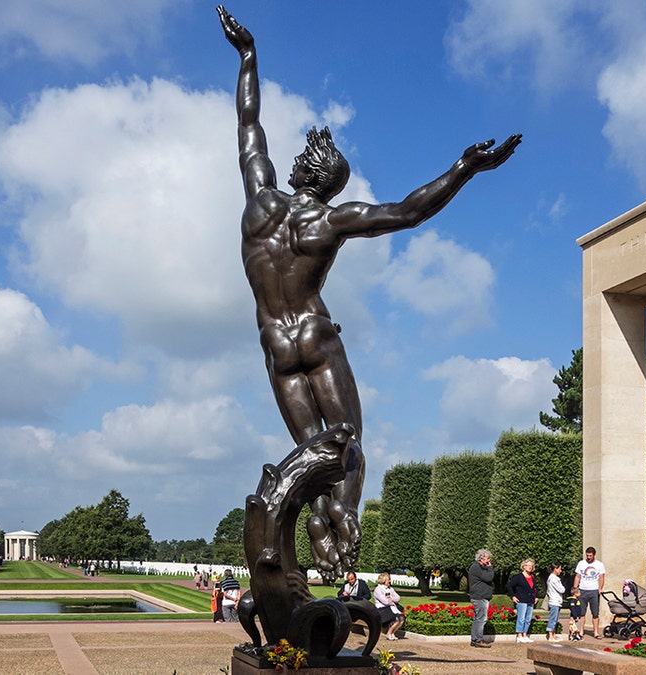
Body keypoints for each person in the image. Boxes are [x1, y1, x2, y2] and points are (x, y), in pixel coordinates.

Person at [218, 5, 521, 580]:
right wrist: (466, 166)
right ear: (332, 186)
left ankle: (315, 519)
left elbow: (248, 126)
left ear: (300, 171)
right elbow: (408, 212)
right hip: (315, 333)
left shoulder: (259, 202)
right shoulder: (329, 222)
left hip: (275, 347)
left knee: (312, 448)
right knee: (348, 442)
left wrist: (248, 54)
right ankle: (344, 517)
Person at [573, 547, 606, 639]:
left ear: (594, 555)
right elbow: (577, 576)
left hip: (594, 591)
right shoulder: (581, 563)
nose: (588, 557)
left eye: (590, 556)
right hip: (582, 590)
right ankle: (581, 631)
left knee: (595, 613)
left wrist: (600, 588)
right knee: (582, 612)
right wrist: (575, 589)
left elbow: (601, 577)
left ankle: (595, 632)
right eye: (587, 555)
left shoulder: (599, 565)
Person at [468, 549, 495, 648]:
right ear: (482, 558)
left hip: (479, 596)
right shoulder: (476, 568)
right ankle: (478, 640)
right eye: (488, 558)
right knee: (481, 619)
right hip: (480, 596)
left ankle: (475, 639)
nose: (489, 560)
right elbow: (489, 578)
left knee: (477, 619)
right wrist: (490, 567)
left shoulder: (477, 567)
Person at [506, 559, 538, 643]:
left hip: (530, 601)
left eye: (531, 566)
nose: (530, 567)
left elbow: (535, 588)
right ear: (523, 566)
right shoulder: (518, 577)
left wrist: (536, 597)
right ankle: (519, 635)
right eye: (528, 565)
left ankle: (525, 634)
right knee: (521, 618)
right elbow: (509, 586)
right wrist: (513, 596)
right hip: (521, 600)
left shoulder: (533, 577)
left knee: (528, 619)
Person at [373, 572, 405, 639]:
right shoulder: (378, 589)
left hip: (391, 607)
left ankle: (393, 633)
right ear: (383, 580)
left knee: (401, 619)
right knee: (396, 619)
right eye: (388, 580)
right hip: (382, 609)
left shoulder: (390, 589)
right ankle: (389, 633)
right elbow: (385, 601)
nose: (389, 581)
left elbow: (398, 598)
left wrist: (391, 598)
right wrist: (391, 600)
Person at [544, 562, 566, 641]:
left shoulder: (553, 578)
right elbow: (561, 589)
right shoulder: (553, 579)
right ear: (555, 569)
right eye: (560, 569)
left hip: (557, 601)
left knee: (555, 619)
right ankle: (550, 635)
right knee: (553, 619)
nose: (561, 570)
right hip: (554, 601)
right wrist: (563, 588)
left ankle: (553, 634)